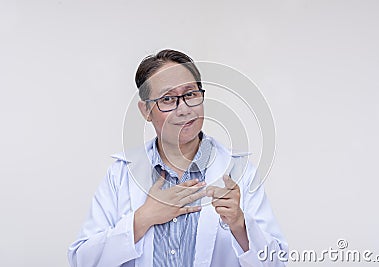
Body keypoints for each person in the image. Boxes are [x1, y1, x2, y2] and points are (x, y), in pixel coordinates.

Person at [68, 49, 288, 267]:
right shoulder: (120, 174)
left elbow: (277, 262)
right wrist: (142, 219)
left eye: (190, 94)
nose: (183, 109)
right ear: (146, 110)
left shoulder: (239, 173)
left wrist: (239, 224)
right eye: (168, 99)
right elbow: (82, 260)